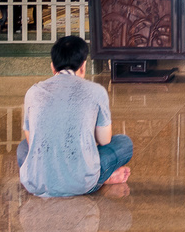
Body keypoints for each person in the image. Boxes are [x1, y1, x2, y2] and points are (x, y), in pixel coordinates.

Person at [18, 36, 132, 197]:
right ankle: (102, 177)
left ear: (52, 67)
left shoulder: (34, 92)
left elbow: (32, 141)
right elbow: (105, 140)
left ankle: (47, 179)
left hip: (36, 183)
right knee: (124, 144)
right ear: (83, 66)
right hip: (80, 183)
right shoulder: (96, 91)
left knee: (22, 147)